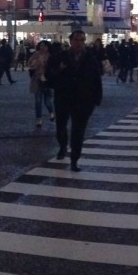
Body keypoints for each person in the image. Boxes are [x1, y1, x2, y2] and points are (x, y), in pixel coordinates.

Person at [46, 29, 103, 171]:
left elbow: (97, 79)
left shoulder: (90, 59)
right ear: (70, 41)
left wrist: (96, 98)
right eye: (76, 40)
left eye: (82, 40)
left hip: (83, 100)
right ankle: (63, 146)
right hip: (63, 97)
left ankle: (74, 160)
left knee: (78, 131)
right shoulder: (59, 57)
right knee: (61, 127)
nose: (79, 43)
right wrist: (59, 69)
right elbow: (49, 78)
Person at [27, 40, 54, 129]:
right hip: (37, 79)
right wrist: (35, 64)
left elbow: (52, 67)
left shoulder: (50, 56)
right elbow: (30, 63)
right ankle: (38, 119)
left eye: (44, 46)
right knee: (38, 101)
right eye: (41, 46)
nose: (42, 48)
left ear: (47, 47)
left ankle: (51, 112)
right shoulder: (36, 54)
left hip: (46, 80)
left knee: (47, 101)